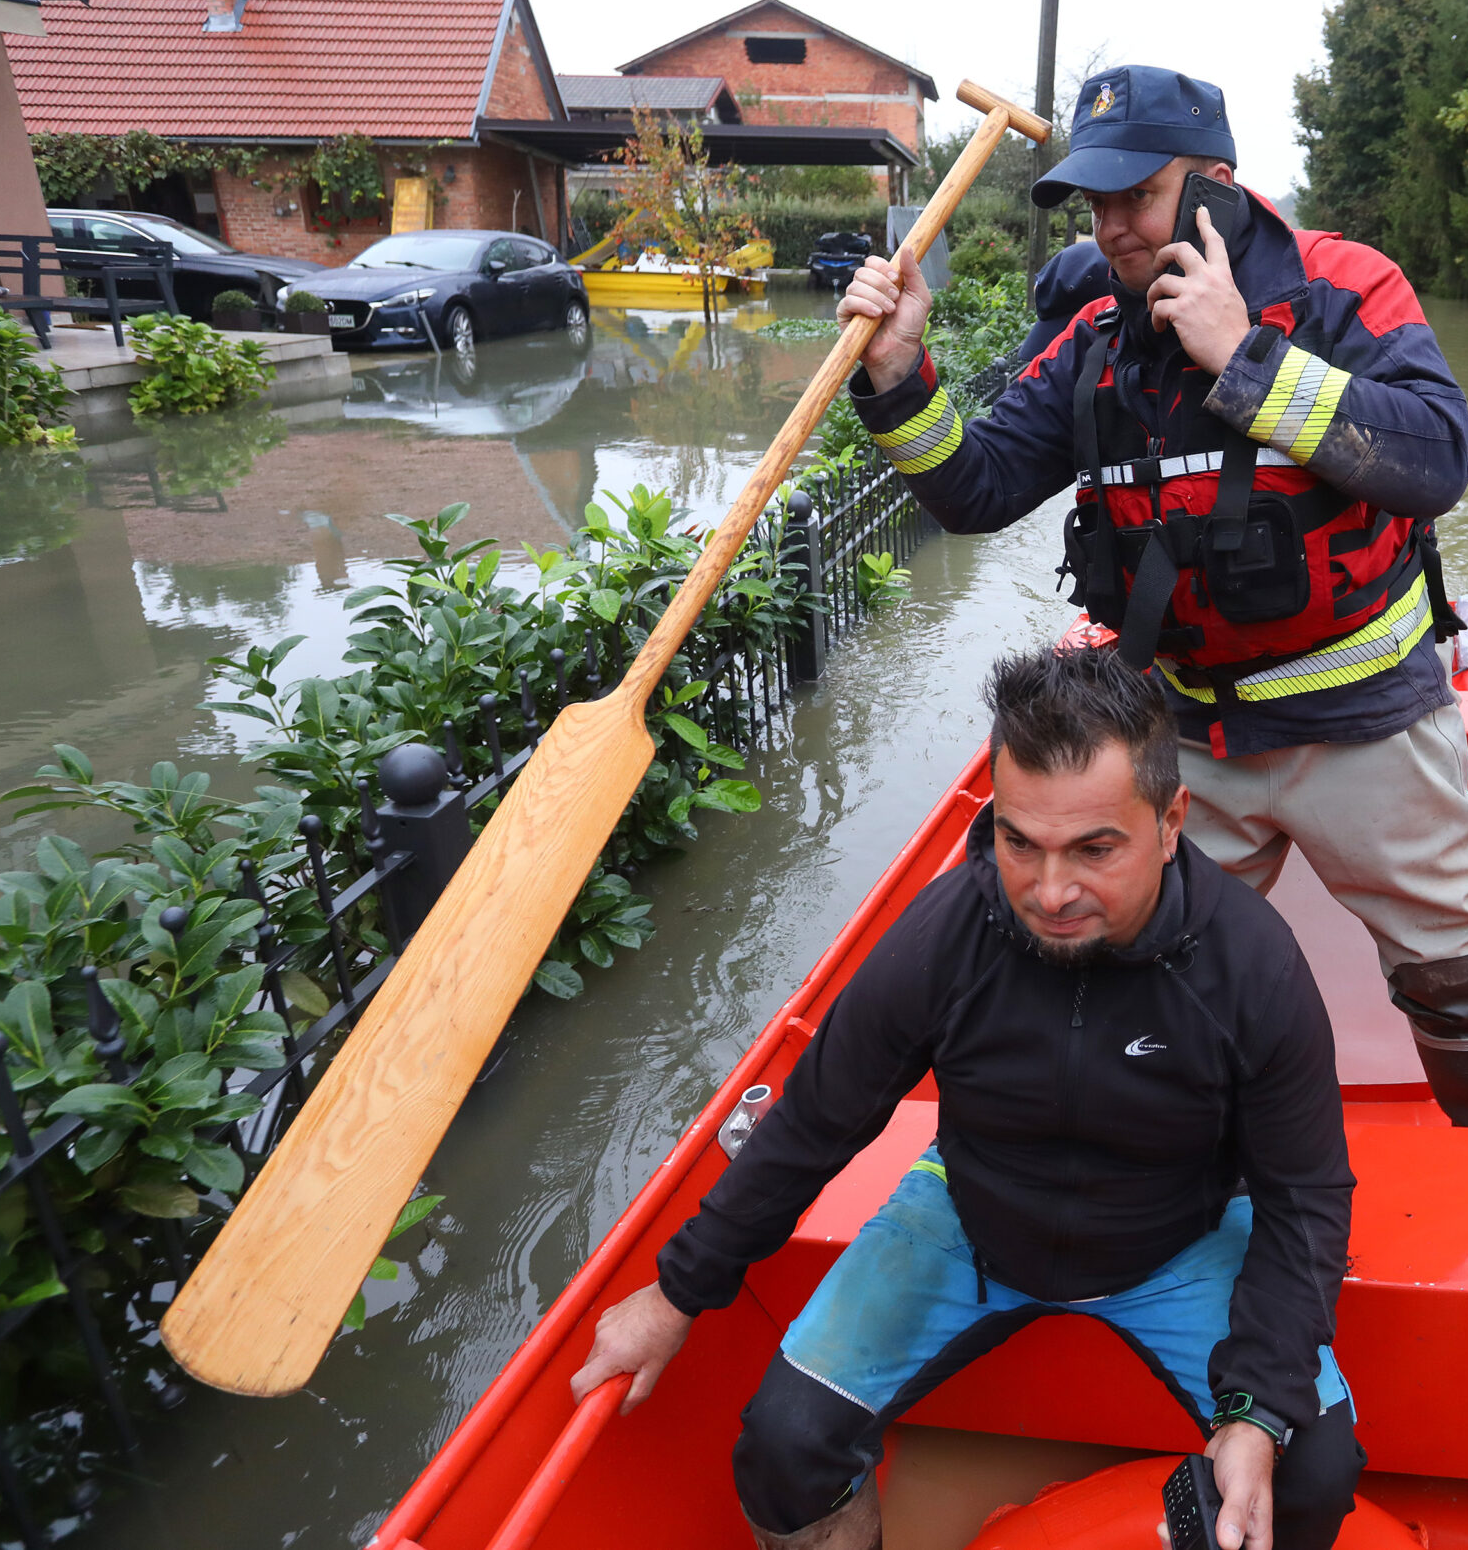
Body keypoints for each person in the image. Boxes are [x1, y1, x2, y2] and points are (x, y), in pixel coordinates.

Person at [837, 63, 1468, 1127]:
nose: (1111, 228)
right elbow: (975, 489)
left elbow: (1435, 461)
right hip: (1188, 726)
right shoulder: (1094, 338)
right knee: (1120, 962)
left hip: (1364, 713)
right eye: (1097, 203)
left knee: (1454, 969)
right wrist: (896, 373)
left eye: (1136, 197)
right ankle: (1161, 1146)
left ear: (1214, 188)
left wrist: (1242, 357)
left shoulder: (1345, 287)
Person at [571, 644, 1363, 1550]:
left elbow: (1303, 1197)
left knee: (1310, 1472)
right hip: (971, 1217)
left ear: (1172, 819)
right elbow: (817, 1120)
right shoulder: (947, 934)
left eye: (1095, 849)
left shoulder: (1253, 966)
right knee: (782, 1451)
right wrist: (676, 1295)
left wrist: (1255, 1416)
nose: (1050, 891)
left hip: (1177, 1242)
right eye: (1018, 841)